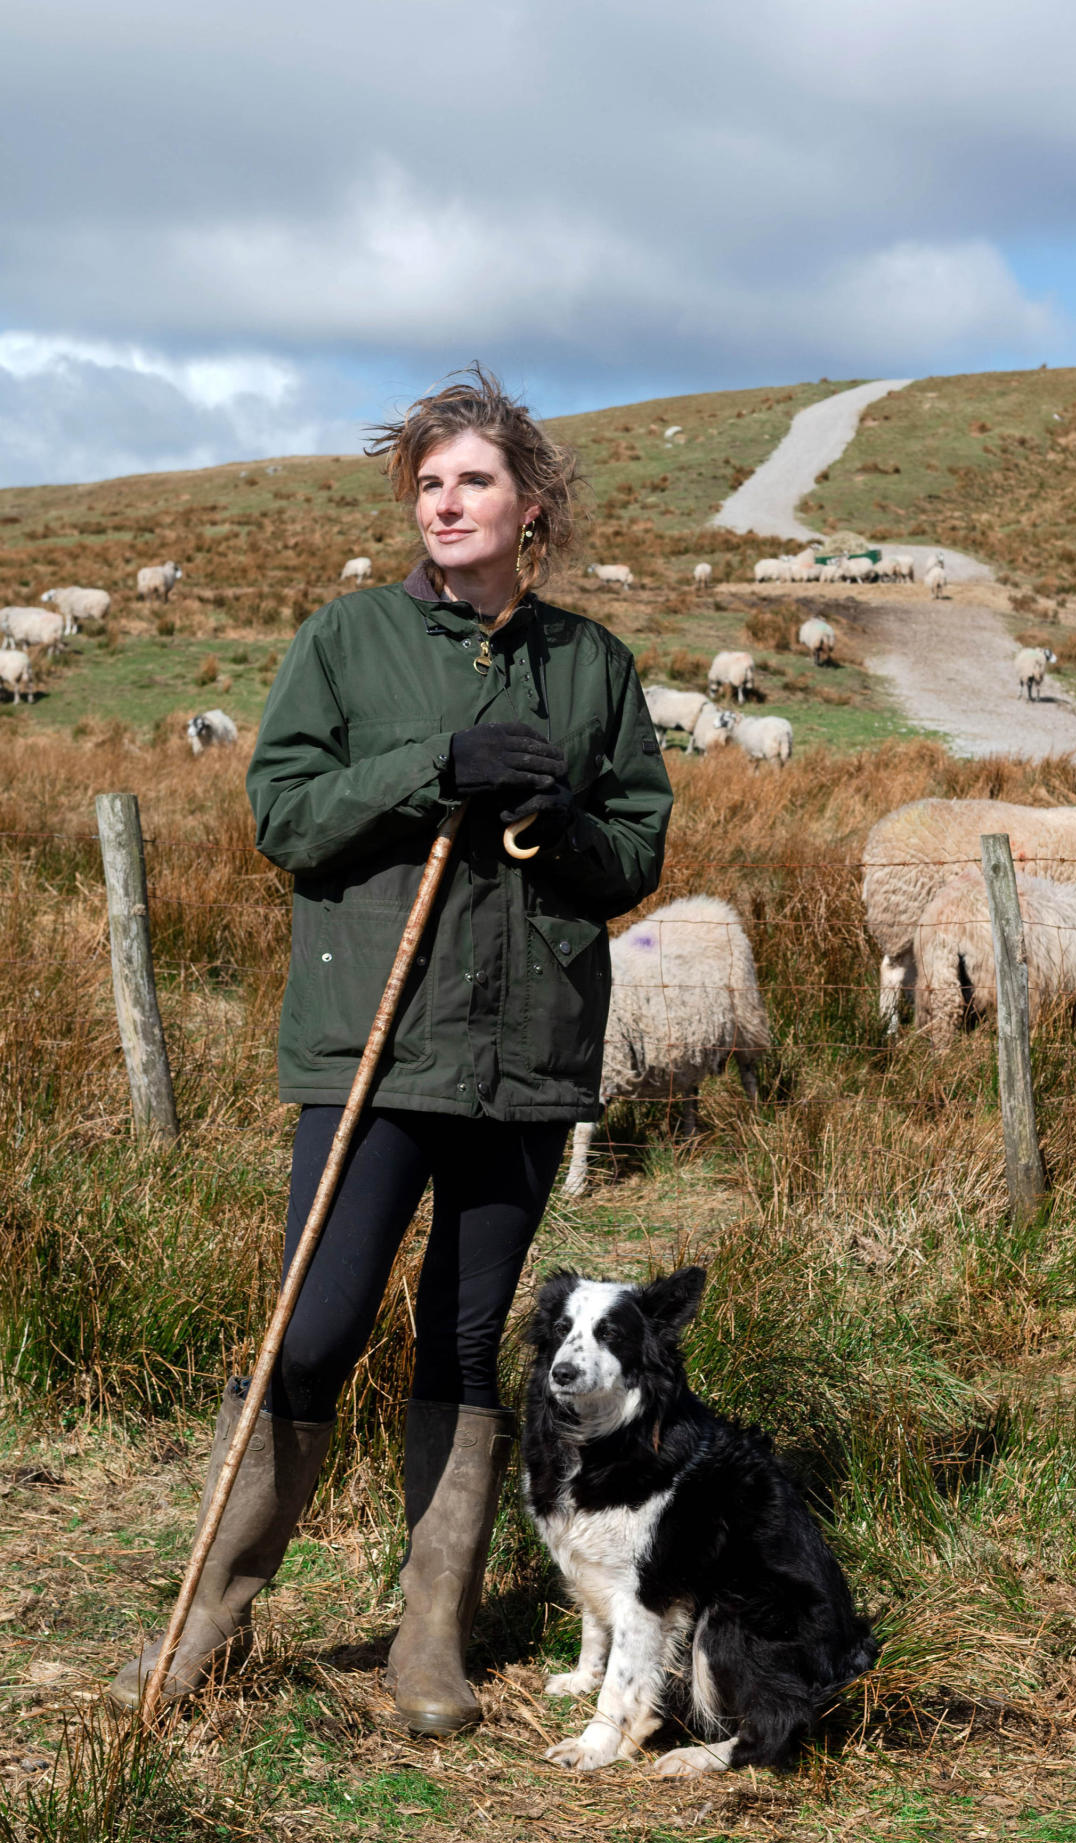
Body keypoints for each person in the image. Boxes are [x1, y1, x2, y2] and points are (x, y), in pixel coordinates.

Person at [110, 367, 673, 1732]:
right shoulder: (347, 639)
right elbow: (285, 816)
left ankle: (429, 1642)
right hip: (373, 1038)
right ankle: (207, 1621)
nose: (446, 501)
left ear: (528, 505)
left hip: (526, 1050)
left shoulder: (588, 665)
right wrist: (436, 764)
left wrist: (550, 812)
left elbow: (633, 855)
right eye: (427, 481)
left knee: (466, 1340)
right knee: (314, 1327)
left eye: (472, 479)